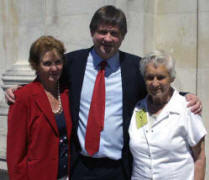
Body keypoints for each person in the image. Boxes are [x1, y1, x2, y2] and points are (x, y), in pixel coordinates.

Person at [5, 5, 202, 180]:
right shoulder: (73, 63)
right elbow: (46, 79)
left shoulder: (134, 67)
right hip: (80, 166)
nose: (108, 39)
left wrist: (185, 96)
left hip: (120, 168)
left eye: (114, 33)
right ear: (92, 32)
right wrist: (19, 91)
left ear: (123, 37)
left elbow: (157, 86)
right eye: (102, 32)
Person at [129, 50, 206, 180]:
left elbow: (199, 157)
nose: (155, 83)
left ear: (171, 78)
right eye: (150, 77)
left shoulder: (187, 109)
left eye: (160, 77)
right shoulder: (138, 108)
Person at [7, 36, 72, 180]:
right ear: (36, 65)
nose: (54, 68)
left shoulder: (68, 93)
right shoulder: (23, 98)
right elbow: (15, 154)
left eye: (58, 62)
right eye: (47, 63)